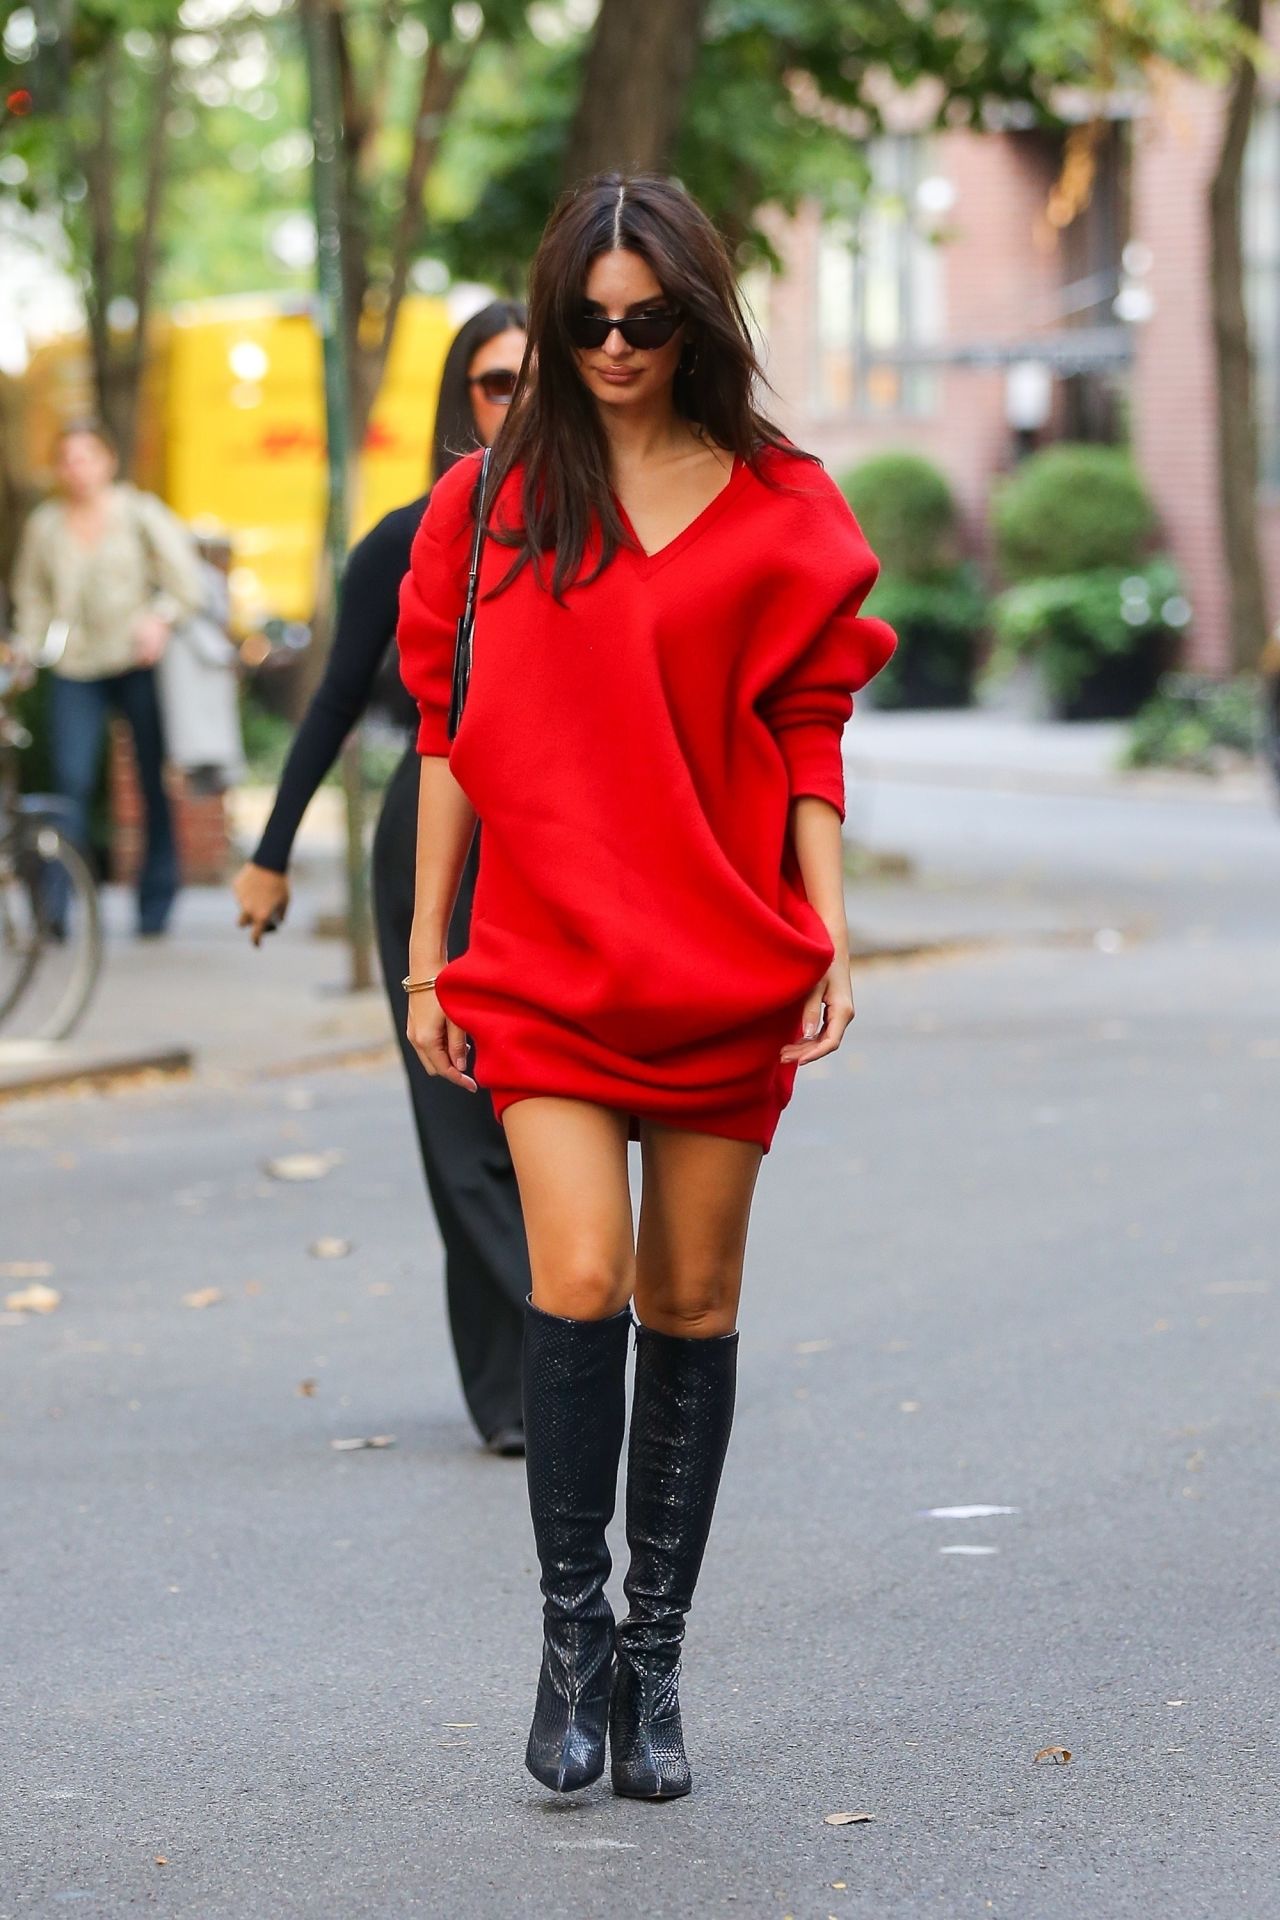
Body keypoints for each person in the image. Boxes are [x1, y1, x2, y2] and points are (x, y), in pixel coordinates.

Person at [397, 175, 896, 1800]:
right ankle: (568, 1648)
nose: (613, 346)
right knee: (583, 1270)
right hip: (539, 957)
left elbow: (811, 727)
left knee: (691, 1300)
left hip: (723, 951)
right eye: (587, 320)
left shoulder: (774, 503)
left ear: (697, 319)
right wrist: (424, 960)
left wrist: (829, 935)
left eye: (647, 321)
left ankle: (655, 1661)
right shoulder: (492, 508)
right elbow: (450, 736)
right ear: (556, 315)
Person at [233, 302, 532, 1457]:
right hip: (433, 830)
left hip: (551, 831)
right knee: (455, 1118)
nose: (515, 400)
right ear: (462, 395)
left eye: (530, 380)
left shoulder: (592, 527)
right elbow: (333, 701)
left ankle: (551, 1355)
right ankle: (519, 1390)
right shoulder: (406, 540)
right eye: (494, 382)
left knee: (541, 1104)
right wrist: (267, 855)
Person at [11, 422, 203, 936]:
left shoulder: (139, 513)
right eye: (67, 459)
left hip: (136, 661)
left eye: (86, 457)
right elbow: (31, 596)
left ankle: (156, 902)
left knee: (149, 780)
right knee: (70, 781)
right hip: (74, 664)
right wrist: (27, 651)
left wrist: (159, 617)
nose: (77, 469)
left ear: (108, 461)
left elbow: (187, 582)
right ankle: (58, 908)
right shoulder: (45, 525)